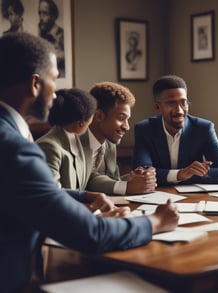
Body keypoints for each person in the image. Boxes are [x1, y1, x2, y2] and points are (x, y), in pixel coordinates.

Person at [0, 32, 179, 292]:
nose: (56, 91)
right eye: (54, 78)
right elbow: (89, 234)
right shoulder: (15, 148)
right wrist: (156, 222)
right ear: (35, 84)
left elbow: (28, 193)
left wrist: (84, 196)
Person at [132, 75, 218, 186]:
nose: (179, 111)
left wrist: (188, 174)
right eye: (171, 104)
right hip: (157, 197)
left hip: (192, 198)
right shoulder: (144, 129)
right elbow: (142, 173)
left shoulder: (203, 128)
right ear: (158, 107)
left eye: (183, 102)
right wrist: (180, 174)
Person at [81, 81, 157, 195]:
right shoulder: (76, 143)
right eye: (121, 118)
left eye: (127, 119)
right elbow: (88, 179)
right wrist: (126, 186)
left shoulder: (110, 144)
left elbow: (112, 179)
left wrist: (133, 178)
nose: (126, 127)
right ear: (99, 116)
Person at [36, 88, 97, 190]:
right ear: (81, 123)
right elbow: (53, 192)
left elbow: (90, 177)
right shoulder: (48, 146)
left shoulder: (77, 139)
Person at [38, 0, 65, 77]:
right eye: (40, 13)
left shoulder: (60, 35)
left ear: (53, 16)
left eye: (45, 13)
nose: (41, 18)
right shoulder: (41, 33)